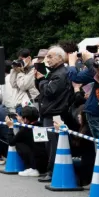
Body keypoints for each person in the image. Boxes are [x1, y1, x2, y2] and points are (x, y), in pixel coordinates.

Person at [33, 46, 74, 182]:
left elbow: (49, 91)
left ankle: (53, 171)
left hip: (56, 113)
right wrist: (40, 78)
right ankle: (50, 170)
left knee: (54, 144)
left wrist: (42, 79)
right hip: (49, 111)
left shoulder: (61, 73)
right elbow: (43, 87)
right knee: (48, 143)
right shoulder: (54, 72)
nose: (47, 60)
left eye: (50, 56)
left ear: (60, 58)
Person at [4, 106, 48, 177]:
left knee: (18, 143)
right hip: (45, 162)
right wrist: (23, 122)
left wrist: (10, 127)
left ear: (25, 119)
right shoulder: (41, 125)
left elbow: (11, 142)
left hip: (35, 163)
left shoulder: (25, 130)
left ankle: (32, 168)